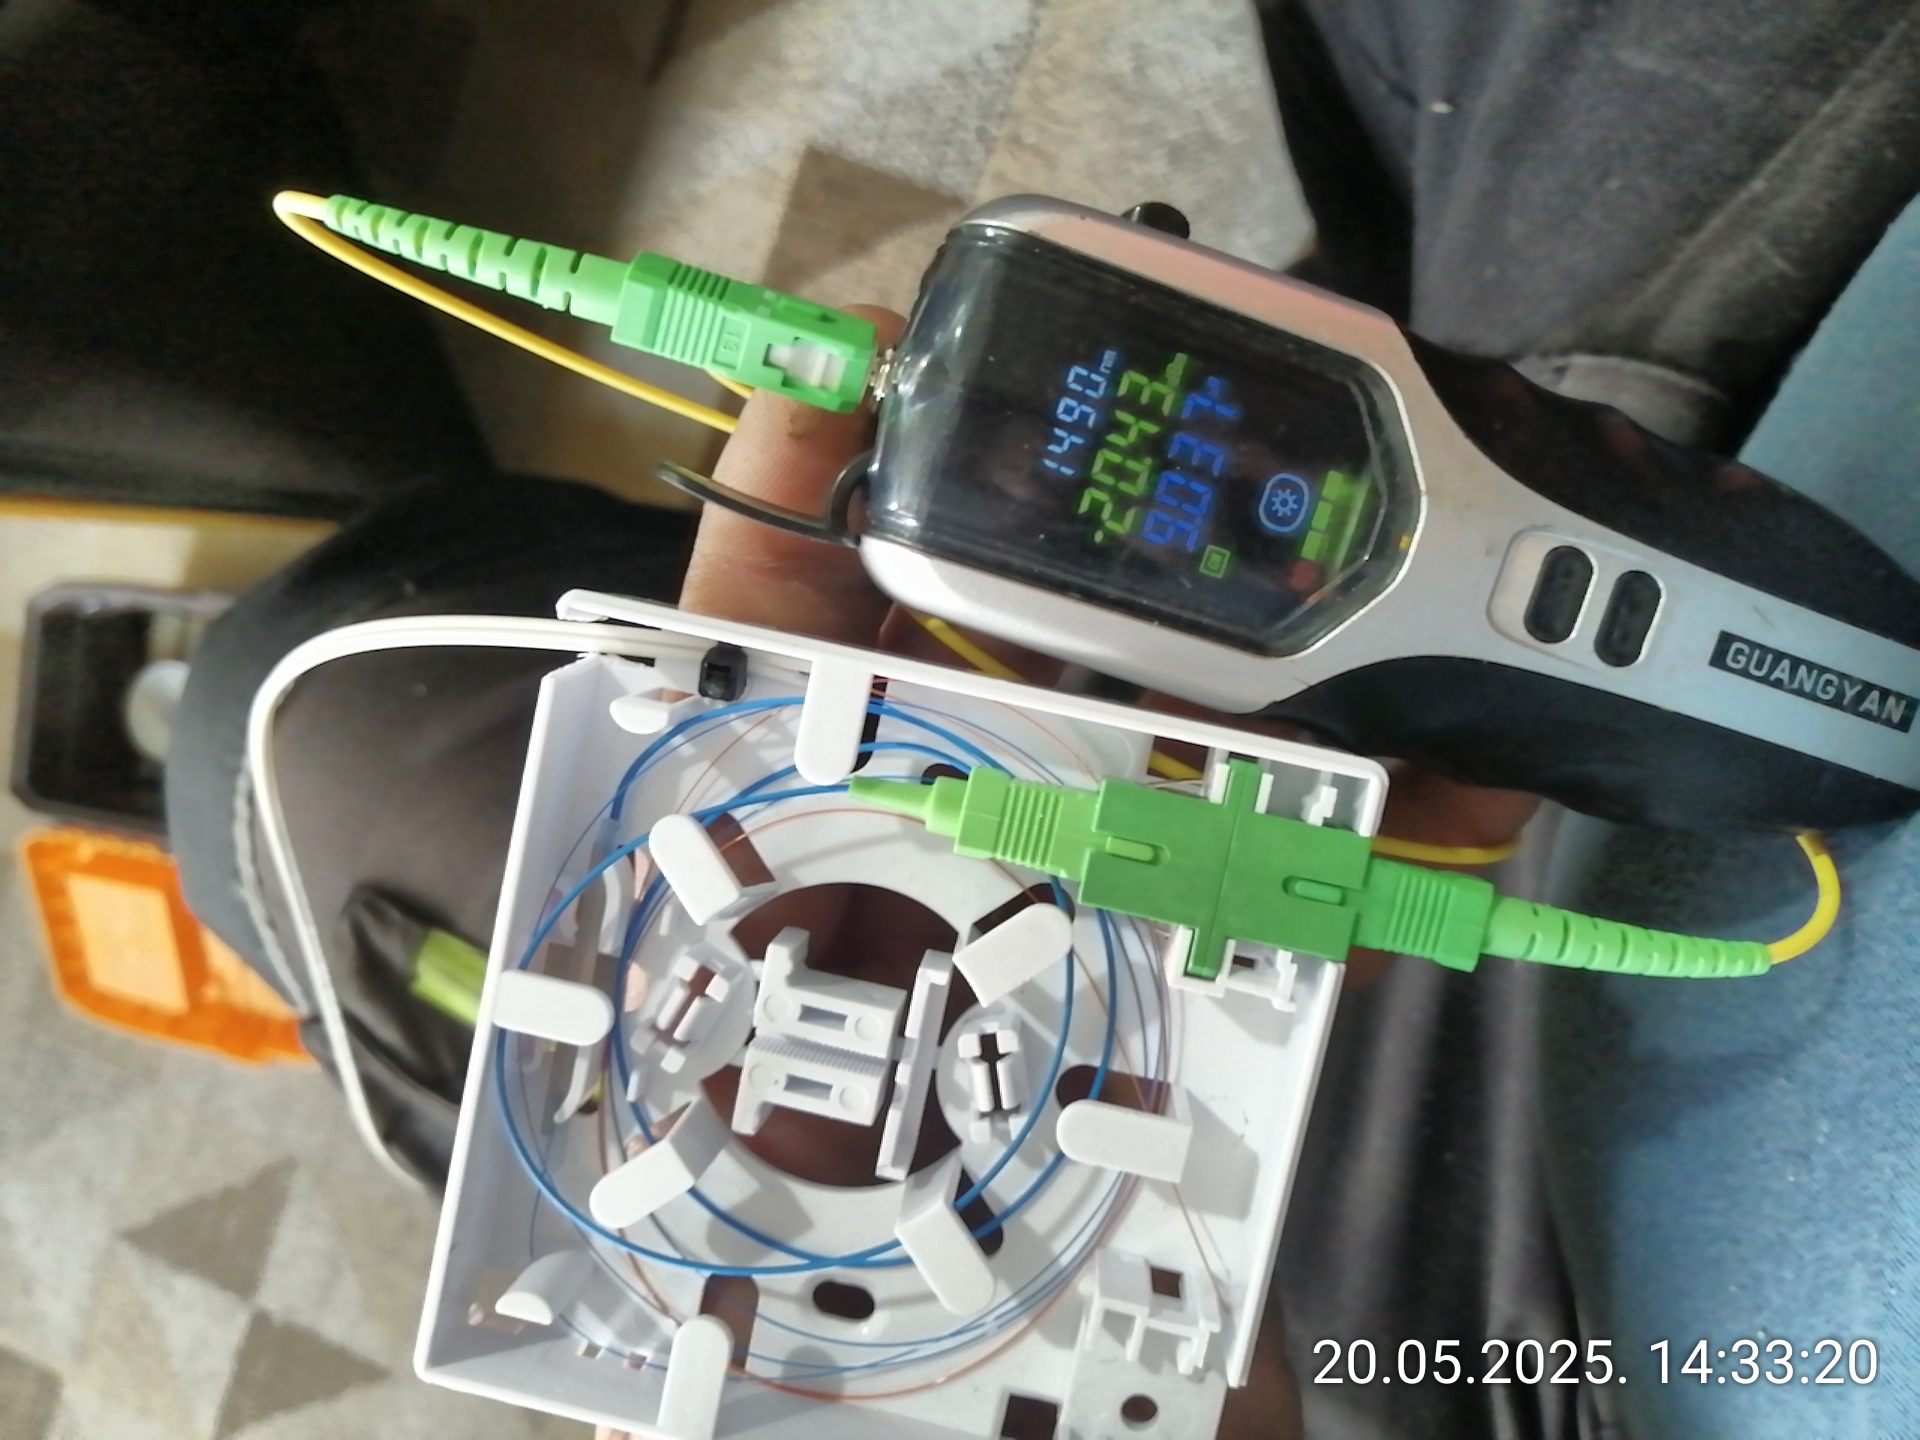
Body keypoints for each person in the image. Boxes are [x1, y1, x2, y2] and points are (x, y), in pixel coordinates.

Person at [168, 4, 1920, 1435]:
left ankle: (1177, 461)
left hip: (1271, 975)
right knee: (313, 686)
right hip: (1450, 1302)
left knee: (309, 691)